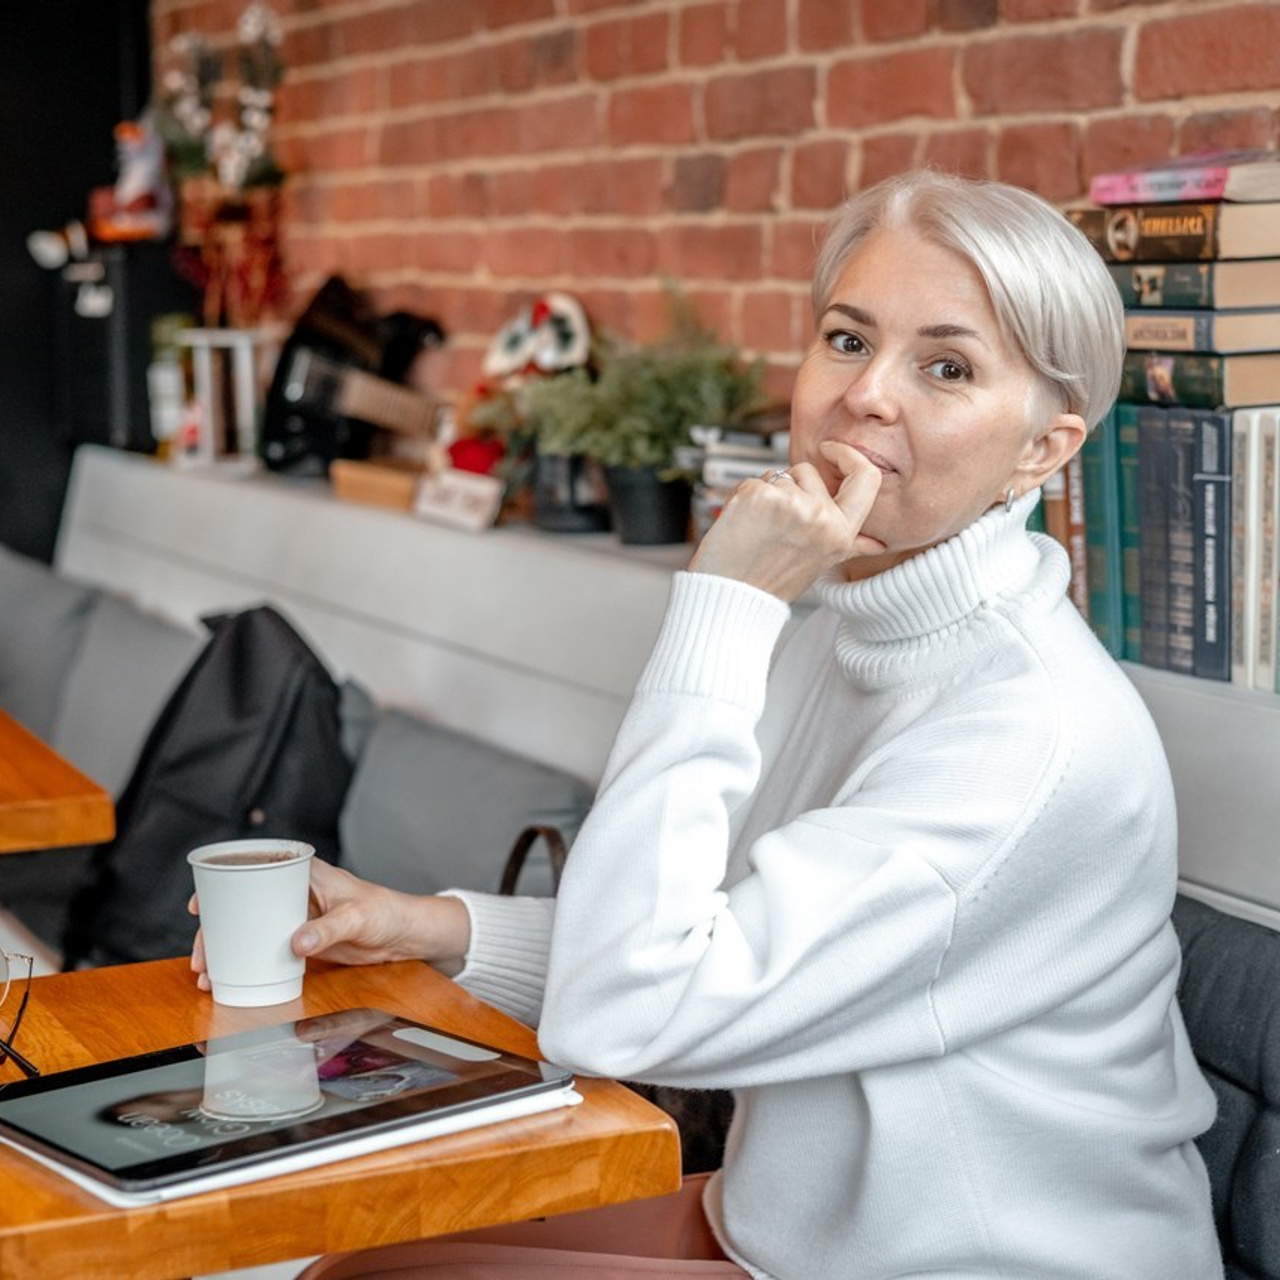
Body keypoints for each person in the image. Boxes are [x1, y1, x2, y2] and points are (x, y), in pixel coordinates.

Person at [193, 169, 1223, 1279]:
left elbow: (626, 1013)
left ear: (1042, 448)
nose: (865, 394)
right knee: (323, 1236)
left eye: (944, 366)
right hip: (790, 1225)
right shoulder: (836, 622)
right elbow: (693, 943)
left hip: (984, 1262)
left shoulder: (1024, 734)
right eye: (843, 338)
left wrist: (724, 607)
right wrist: (428, 926)